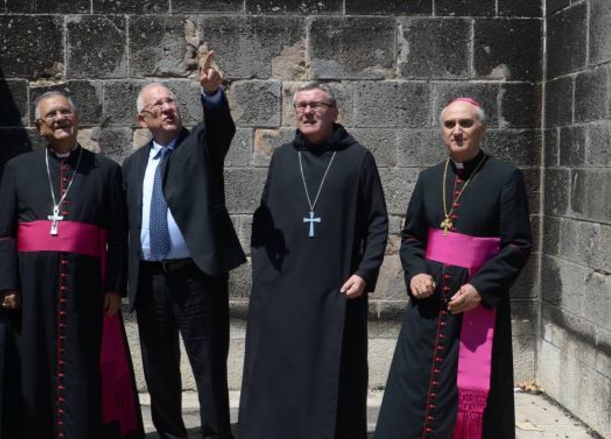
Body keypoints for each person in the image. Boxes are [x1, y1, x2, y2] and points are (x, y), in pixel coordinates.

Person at [374, 97, 533, 439]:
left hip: (475, 304)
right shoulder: (429, 178)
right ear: (441, 131)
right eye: (449, 124)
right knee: (415, 382)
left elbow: (518, 244)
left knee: (470, 394)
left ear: (482, 128)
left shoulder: (505, 177)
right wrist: (416, 272)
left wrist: (481, 288)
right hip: (428, 306)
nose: (457, 131)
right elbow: (412, 237)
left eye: (466, 123)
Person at [237, 81, 389, 438]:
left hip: (336, 287)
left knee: (331, 372)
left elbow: (378, 222)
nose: (307, 111)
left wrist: (365, 272)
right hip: (283, 289)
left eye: (316, 105)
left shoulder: (358, 159)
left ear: (334, 112)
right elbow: (264, 219)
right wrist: (263, 272)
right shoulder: (282, 157)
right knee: (280, 369)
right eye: (301, 105)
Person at [0, 91, 143, 439]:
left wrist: (114, 286)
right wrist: (6, 284)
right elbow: (3, 232)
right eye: (51, 115)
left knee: (82, 363)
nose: (60, 118)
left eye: (65, 111)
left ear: (76, 118)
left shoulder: (105, 170)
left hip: (85, 287)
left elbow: (119, 236)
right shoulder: (18, 168)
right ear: (39, 126)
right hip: (30, 286)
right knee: (31, 363)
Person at [122, 52, 246, 439]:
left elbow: (220, 128)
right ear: (143, 119)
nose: (167, 107)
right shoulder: (133, 165)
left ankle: (215, 434)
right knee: (158, 368)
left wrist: (212, 93)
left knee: (208, 366)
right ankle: (170, 434)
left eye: (171, 100)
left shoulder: (200, 146)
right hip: (150, 281)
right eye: (157, 104)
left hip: (196, 277)